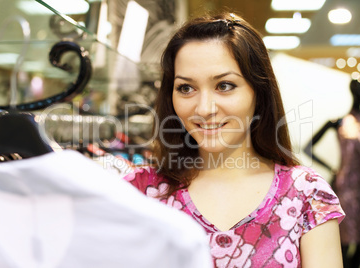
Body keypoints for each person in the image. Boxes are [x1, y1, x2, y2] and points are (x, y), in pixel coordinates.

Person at [124, 12, 345, 267]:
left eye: (225, 85)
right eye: (186, 88)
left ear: (258, 92)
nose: (204, 108)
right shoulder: (137, 192)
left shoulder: (307, 194)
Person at [305, 78, 360, 268]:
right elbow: (308, 147)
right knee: (344, 240)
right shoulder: (339, 122)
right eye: (357, 88)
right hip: (347, 189)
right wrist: (331, 169)